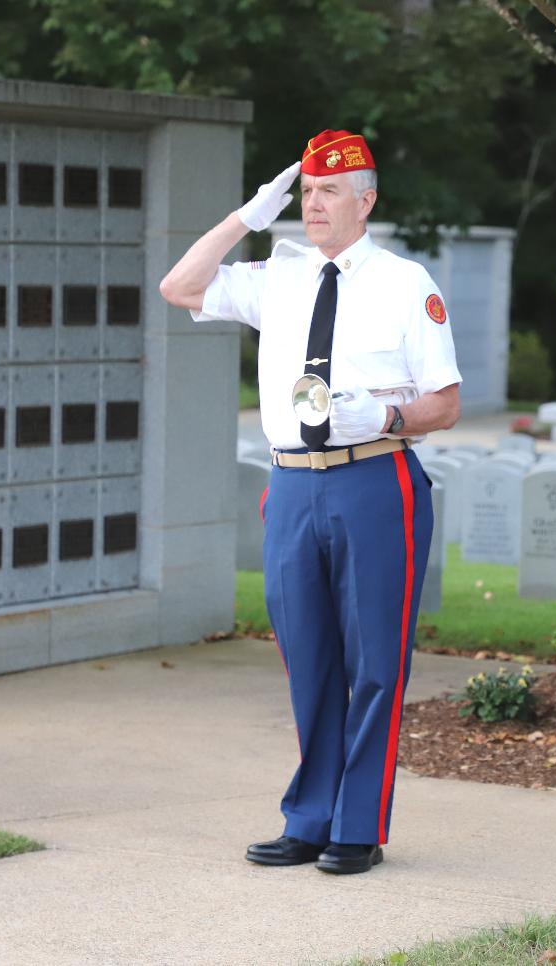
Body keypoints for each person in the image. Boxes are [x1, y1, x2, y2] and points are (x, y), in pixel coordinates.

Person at [159, 129, 462, 875]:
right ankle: (311, 816)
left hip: (374, 478)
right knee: (308, 659)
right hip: (293, 481)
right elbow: (180, 286)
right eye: (305, 192)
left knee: (375, 662)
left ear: (367, 200)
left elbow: (447, 404)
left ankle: (357, 825)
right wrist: (243, 219)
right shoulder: (278, 276)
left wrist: (388, 418)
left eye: (330, 191)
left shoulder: (403, 281)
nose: (313, 204)